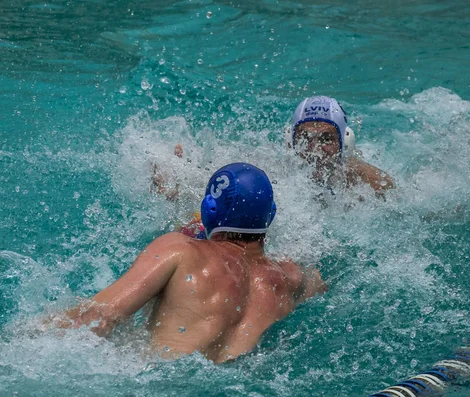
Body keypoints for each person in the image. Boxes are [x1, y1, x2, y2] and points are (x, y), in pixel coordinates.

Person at [51, 163, 326, 363]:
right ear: (271, 215)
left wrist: (27, 333)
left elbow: (100, 317)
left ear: (208, 209)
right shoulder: (292, 279)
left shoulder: (179, 250)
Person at [288, 96, 395, 193]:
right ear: (291, 142)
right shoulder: (278, 179)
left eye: (326, 139)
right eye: (305, 138)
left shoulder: (373, 184)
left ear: (345, 142)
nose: (315, 151)